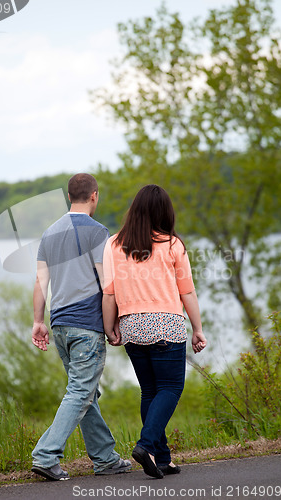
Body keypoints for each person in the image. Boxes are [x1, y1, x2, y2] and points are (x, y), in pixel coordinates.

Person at [31, 173, 131, 481]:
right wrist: (112, 325)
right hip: (86, 326)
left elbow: (40, 282)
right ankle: (46, 455)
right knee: (80, 391)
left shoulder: (49, 233)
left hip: (59, 325)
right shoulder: (99, 232)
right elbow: (107, 284)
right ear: (94, 196)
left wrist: (37, 321)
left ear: (69, 196)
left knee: (86, 392)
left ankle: (105, 458)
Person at [102, 184, 206, 480]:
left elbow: (109, 294)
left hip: (132, 326)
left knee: (149, 391)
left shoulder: (113, 244)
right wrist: (197, 329)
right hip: (166, 325)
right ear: (164, 212)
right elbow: (187, 292)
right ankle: (146, 446)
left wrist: (110, 326)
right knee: (170, 389)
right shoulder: (173, 245)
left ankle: (163, 458)